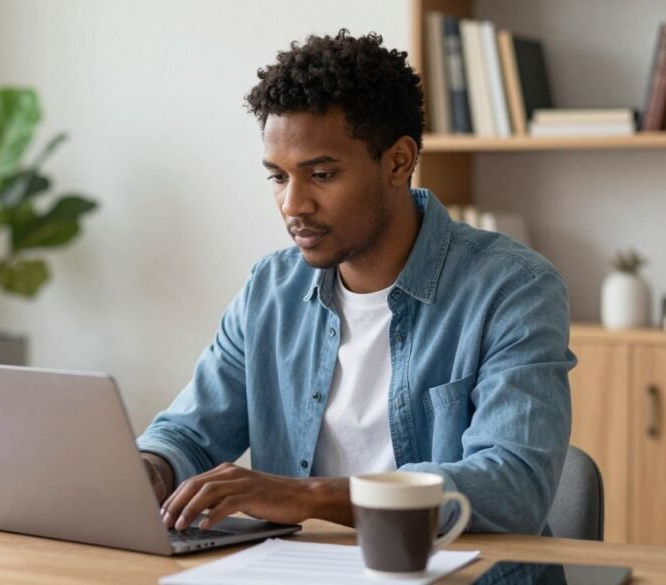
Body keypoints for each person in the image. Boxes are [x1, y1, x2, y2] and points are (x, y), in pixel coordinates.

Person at [136, 30, 574, 536]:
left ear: (398, 161)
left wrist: (308, 497)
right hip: (303, 572)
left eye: (320, 175)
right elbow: (190, 434)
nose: (292, 205)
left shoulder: (512, 290)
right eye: (278, 176)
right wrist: (151, 468)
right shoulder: (270, 290)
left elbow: (512, 486)